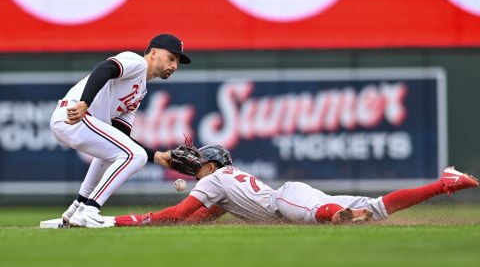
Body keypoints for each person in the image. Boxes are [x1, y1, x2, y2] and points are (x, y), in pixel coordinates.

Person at [114, 145, 479, 226]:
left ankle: (341, 215)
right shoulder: (223, 187)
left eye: (197, 162)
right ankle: (444, 183)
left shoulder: (216, 180)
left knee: (334, 216)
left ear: (211, 165)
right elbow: (195, 220)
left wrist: (128, 221)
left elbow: (179, 214)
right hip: (293, 196)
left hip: (287, 201)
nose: (191, 166)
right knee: (379, 208)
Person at [50, 34, 191, 228]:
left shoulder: (140, 91)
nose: (175, 65)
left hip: (79, 121)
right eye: (172, 58)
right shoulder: (137, 63)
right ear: (154, 53)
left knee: (118, 154)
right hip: (75, 115)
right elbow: (104, 68)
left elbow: (122, 135)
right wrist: (85, 102)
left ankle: (77, 208)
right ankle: (90, 210)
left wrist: (157, 156)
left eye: (178, 62)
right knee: (136, 156)